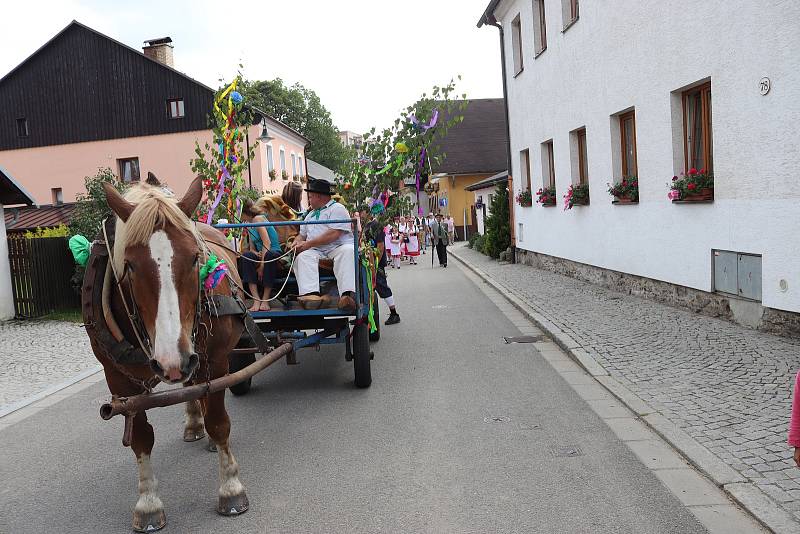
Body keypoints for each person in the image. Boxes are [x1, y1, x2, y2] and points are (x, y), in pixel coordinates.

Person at [292, 177, 356, 310]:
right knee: (303, 257)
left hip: (337, 247)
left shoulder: (338, 208)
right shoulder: (309, 215)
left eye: (310, 197)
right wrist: (296, 242)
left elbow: (334, 234)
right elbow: (302, 235)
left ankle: (347, 295)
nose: (309, 200)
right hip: (317, 250)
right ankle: (311, 296)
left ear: (318, 196)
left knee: (348, 251)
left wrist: (308, 244)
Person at [359, 206, 401, 325]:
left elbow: (380, 245)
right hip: (367, 261)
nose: (360, 214)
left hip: (375, 263)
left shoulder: (376, 225)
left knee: (381, 286)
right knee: (368, 288)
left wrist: (375, 263)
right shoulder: (365, 226)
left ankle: (394, 313)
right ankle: (368, 315)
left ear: (367, 212)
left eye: (361, 212)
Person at [239, 199, 282, 311]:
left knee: (269, 256)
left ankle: (265, 299)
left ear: (244, 213)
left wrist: (262, 265)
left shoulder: (258, 220)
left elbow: (267, 243)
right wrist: (254, 253)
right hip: (262, 252)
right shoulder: (249, 225)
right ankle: (256, 299)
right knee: (247, 256)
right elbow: (252, 248)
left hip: (272, 251)